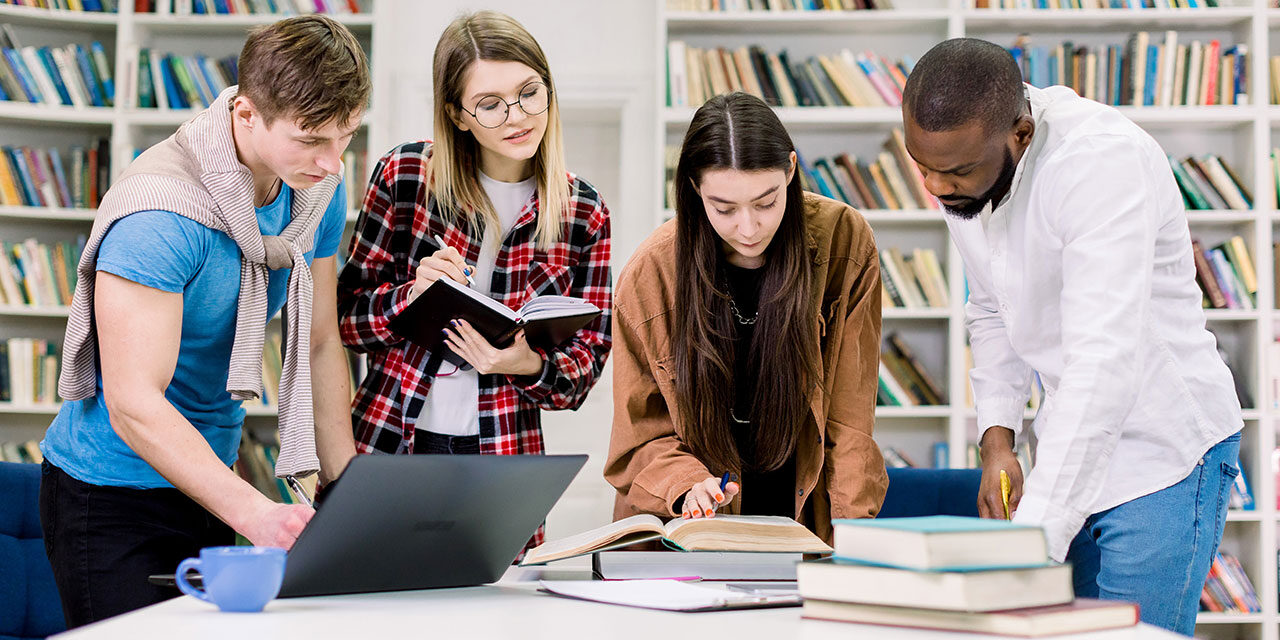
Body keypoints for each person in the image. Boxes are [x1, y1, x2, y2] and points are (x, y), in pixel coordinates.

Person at [901, 38, 1243, 635]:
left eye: (955, 172)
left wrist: (1032, 543)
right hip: (1071, 444)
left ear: (1022, 134)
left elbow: (1102, 362)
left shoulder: (1100, 163)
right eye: (922, 165)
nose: (935, 186)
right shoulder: (965, 167)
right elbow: (991, 306)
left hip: (1162, 451)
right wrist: (996, 440)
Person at [38, 15, 370, 627]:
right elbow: (134, 403)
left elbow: (322, 341)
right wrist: (256, 512)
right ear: (246, 114)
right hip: (110, 493)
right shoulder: (161, 213)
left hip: (212, 479)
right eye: (310, 138)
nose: (331, 161)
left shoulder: (316, 187)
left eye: (345, 135)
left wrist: (349, 493)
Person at [336, 11, 612, 542]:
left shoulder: (584, 210)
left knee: (495, 619)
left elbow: (582, 373)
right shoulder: (405, 176)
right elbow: (346, 322)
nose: (518, 116)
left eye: (530, 92)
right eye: (490, 104)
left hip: (502, 456)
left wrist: (526, 363)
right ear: (457, 115)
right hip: (393, 439)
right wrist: (410, 297)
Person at [604, 92, 886, 543]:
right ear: (695, 189)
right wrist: (684, 484)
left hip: (803, 519)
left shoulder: (843, 242)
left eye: (767, 201)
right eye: (725, 209)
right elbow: (638, 436)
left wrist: (852, 543)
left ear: (791, 170)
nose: (749, 228)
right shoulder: (651, 275)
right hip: (687, 532)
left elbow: (850, 422)